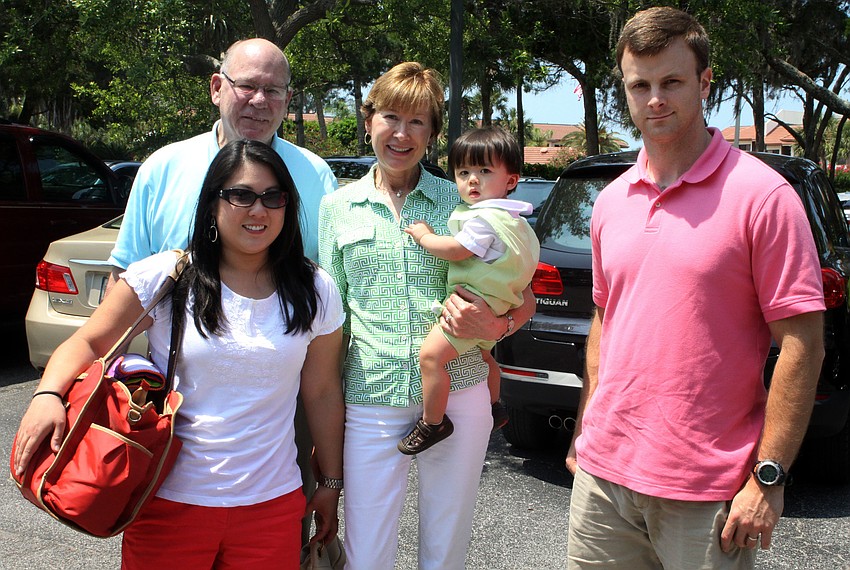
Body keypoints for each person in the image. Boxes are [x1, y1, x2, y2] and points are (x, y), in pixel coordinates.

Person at [564, 7, 825, 570]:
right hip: (603, 480)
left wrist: (769, 476)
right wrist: (586, 430)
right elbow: (607, 319)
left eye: (672, 82)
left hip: (708, 490)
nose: (655, 99)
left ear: (705, 82)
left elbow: (802, 342)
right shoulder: (610, 202)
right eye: (640, 85)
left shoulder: (763, 197)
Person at [14, 139, 345, 569]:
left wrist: (330, 482)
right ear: (212, 204)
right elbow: (87, 342)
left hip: (271, 507)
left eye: (273, 197)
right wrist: (47, 396)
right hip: (168, 503)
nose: (258, 210)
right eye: (241, 195)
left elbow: (321, 392)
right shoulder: (167, 276)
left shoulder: (315, 289)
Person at [106, 37, 337, 541]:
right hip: (172, 401)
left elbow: (327, 294)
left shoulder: (315, 176)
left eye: (274, 91)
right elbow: (123, 280)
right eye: (247, 86)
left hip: (277, 409)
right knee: (166, 537)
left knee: (274, 541)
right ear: (217, 87)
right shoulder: (162, 168)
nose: (259, 101)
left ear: (288, 100)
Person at [318, 62, 536, 569]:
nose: (402, 133)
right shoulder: (337, 207)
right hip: (371, 393)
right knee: (366, 551)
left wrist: (499, 327)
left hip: (460, 388)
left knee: (445, 544)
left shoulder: (465, 199)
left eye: (418, 122)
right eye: (391, 117)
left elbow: (523, 293)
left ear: (434, 132)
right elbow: (333, 322)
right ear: (368, 119)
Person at [399, 126, 540, 454]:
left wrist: (423, 236)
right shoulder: (517, 221)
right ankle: (495, 405)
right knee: (485, 356)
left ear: (511, 180)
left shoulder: (483, 219)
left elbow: (456, 250)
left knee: (432, 357)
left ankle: (433, 422)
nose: (472, 180)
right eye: (463, 172)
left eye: (484, 171)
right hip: (501, 307)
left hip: (470, 310)